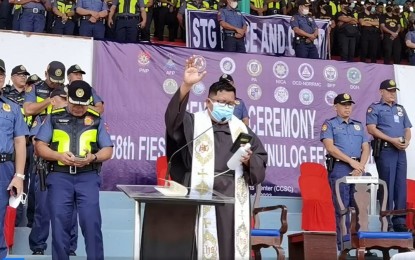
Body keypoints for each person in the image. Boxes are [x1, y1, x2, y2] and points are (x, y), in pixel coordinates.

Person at [165, 56, 267, 259]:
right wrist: (186, 85)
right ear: (208, 102)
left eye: (231, 103)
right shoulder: (194, 124)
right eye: (221, 102)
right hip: (198, 190)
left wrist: (249, 161)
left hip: (231, 196)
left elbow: (260, 159)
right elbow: (172, 121)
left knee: (229, 246)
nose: (227, 107)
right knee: (198, 245)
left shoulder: (241, 130)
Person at [35, 80, 113, 260]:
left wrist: (93, 157)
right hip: (60, 176)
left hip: (87, 177)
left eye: (83, 104)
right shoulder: (54, 117)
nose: (79, 108)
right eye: (75, 104)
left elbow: (108, 150)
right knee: (59, 224)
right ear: (68, 99)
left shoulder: (96, 119)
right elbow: (40, 146)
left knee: (91, 223)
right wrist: (59, 156)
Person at [29, 86, 79, 256]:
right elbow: (36, 141)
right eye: (63, 99)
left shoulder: (76, 119)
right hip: (46, 170)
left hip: (68, 173)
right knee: (43, 210)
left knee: (70, 213)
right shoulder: (45, 118)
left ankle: (70, 248)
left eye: (67, 99)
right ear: (53, 99)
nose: (66, 102)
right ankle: (38, 247)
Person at [320, 93, 370, 249]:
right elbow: (330, 147)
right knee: (342, 208)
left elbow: (366, 147)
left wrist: (360, 166)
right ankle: (344, 246)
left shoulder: (358, 125)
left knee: (361, 208)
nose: (348, 107)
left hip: (358, 169)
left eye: (349, 104)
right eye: (344, 104)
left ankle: (361, 245)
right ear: (336, 107)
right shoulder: (330, 125)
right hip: (341, 167)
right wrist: (351, 162)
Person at [366, 79, 411, 232]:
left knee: (400, 186)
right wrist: (392, 140)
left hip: (400, 151)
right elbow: (371, 129)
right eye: (389, 91)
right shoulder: (375, 108)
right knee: (387, 185)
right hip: (386, 150)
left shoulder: (400, 109)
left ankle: (399, 221)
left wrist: (407, 141)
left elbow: (407, 129)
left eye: (394, 91)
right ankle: (387, 221)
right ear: (381, 92)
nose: (392, 94)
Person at [0, 59, 29, 259]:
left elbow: (20, 143)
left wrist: (19, 175)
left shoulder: (12, 108)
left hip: (4, 168)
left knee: (1, 217)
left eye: (0, 74)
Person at [2, 65, 33, 227]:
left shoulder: (25, 98)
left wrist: (19, 176)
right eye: (19, 75)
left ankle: (13, 234)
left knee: (7, 206)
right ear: (12, 77)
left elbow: (20, 140)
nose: (23, 77)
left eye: (25, 75)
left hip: (10, 159)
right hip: (10, 153)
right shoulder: (8, 94)